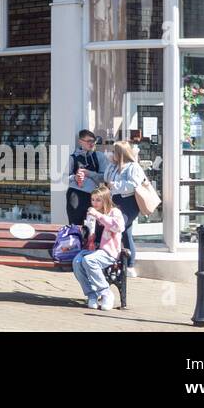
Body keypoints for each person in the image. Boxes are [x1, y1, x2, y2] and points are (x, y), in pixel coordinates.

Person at [72, 184, 126, 310]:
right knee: (77, 261)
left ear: (105, 200)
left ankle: (106, 293)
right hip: (92, 249)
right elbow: (90, 232)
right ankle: (92, 294)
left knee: (89, 260)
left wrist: (98, 215)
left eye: (98, 200)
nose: (94, 203)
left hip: (109, 252)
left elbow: (118, 227)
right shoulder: (92, 214)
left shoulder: (114, 212)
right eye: (92, 199)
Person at [103, 139, 147, 274]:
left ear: (120, 153)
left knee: (117, 228)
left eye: (114, 151)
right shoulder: (114, 166)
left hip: (128, 203)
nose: (111, 153)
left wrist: (114, 185)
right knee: (126, 233)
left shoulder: (133, 167)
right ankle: (127, 265)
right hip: (115, 202)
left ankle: (124, 263)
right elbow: (105, 178)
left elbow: (134, 184)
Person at [66, 129, 103, 225]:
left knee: (92, 227)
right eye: (88, 141)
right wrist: (74, 178)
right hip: (75, 194)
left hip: (94, 196)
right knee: (75, 225)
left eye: (93, 141)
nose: (91, 144)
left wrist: (89, 173)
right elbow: (63, 179)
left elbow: (104, 178)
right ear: (80, 141)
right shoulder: (73, 158)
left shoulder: (99, 156)